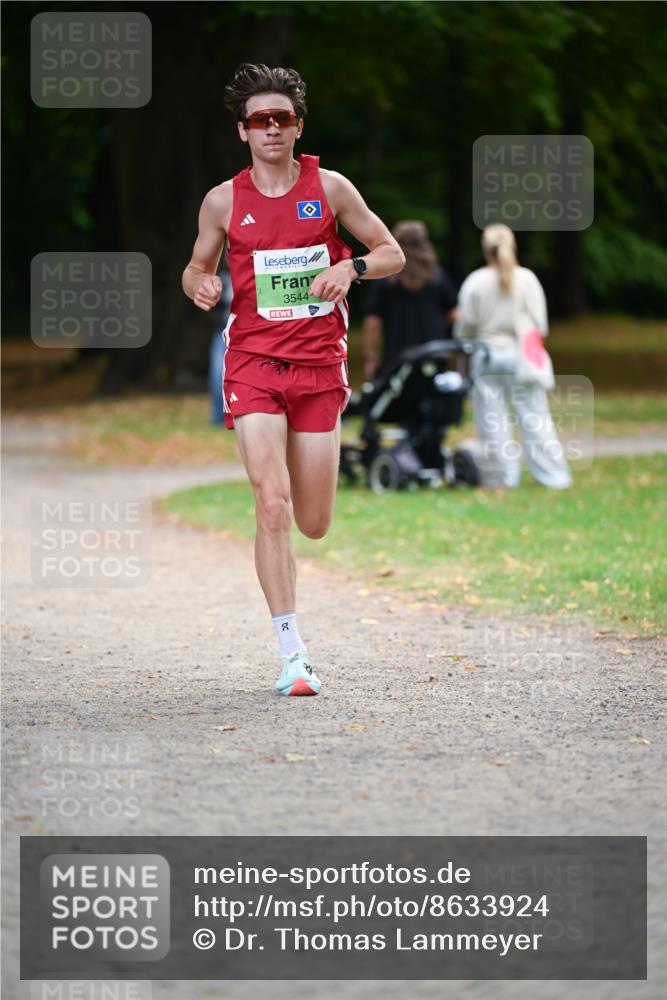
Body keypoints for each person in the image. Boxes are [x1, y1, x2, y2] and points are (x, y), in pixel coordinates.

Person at [182, 63, 404, 696]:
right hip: (251, 361)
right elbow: (196, 267)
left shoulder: (329, 188)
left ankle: (292, 636)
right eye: (260, 120)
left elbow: (392, 252)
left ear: (298, 126)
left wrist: (352, 269)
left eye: (282, 118)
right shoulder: (223, 201)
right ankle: (292, 653)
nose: (272, 129)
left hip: (318, 367)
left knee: (312, 520)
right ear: (243, 131)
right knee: (270, 502)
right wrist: (197, 283)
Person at [455, 223, 572, 489]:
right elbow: (540, 325)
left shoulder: (475, 281)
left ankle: (502, 477)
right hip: (523, 356)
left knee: (492, 422)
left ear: (485, 250)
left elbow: (465, 328)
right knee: (535, 417)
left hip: (487, 357)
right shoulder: (528, 279)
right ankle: (554, 476)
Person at [361, 220, 458, 380]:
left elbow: (373, 322)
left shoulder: (385, 278)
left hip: (395, 358)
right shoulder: (437, 276)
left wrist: (371, 357)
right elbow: (454, 314)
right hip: (433, 355)